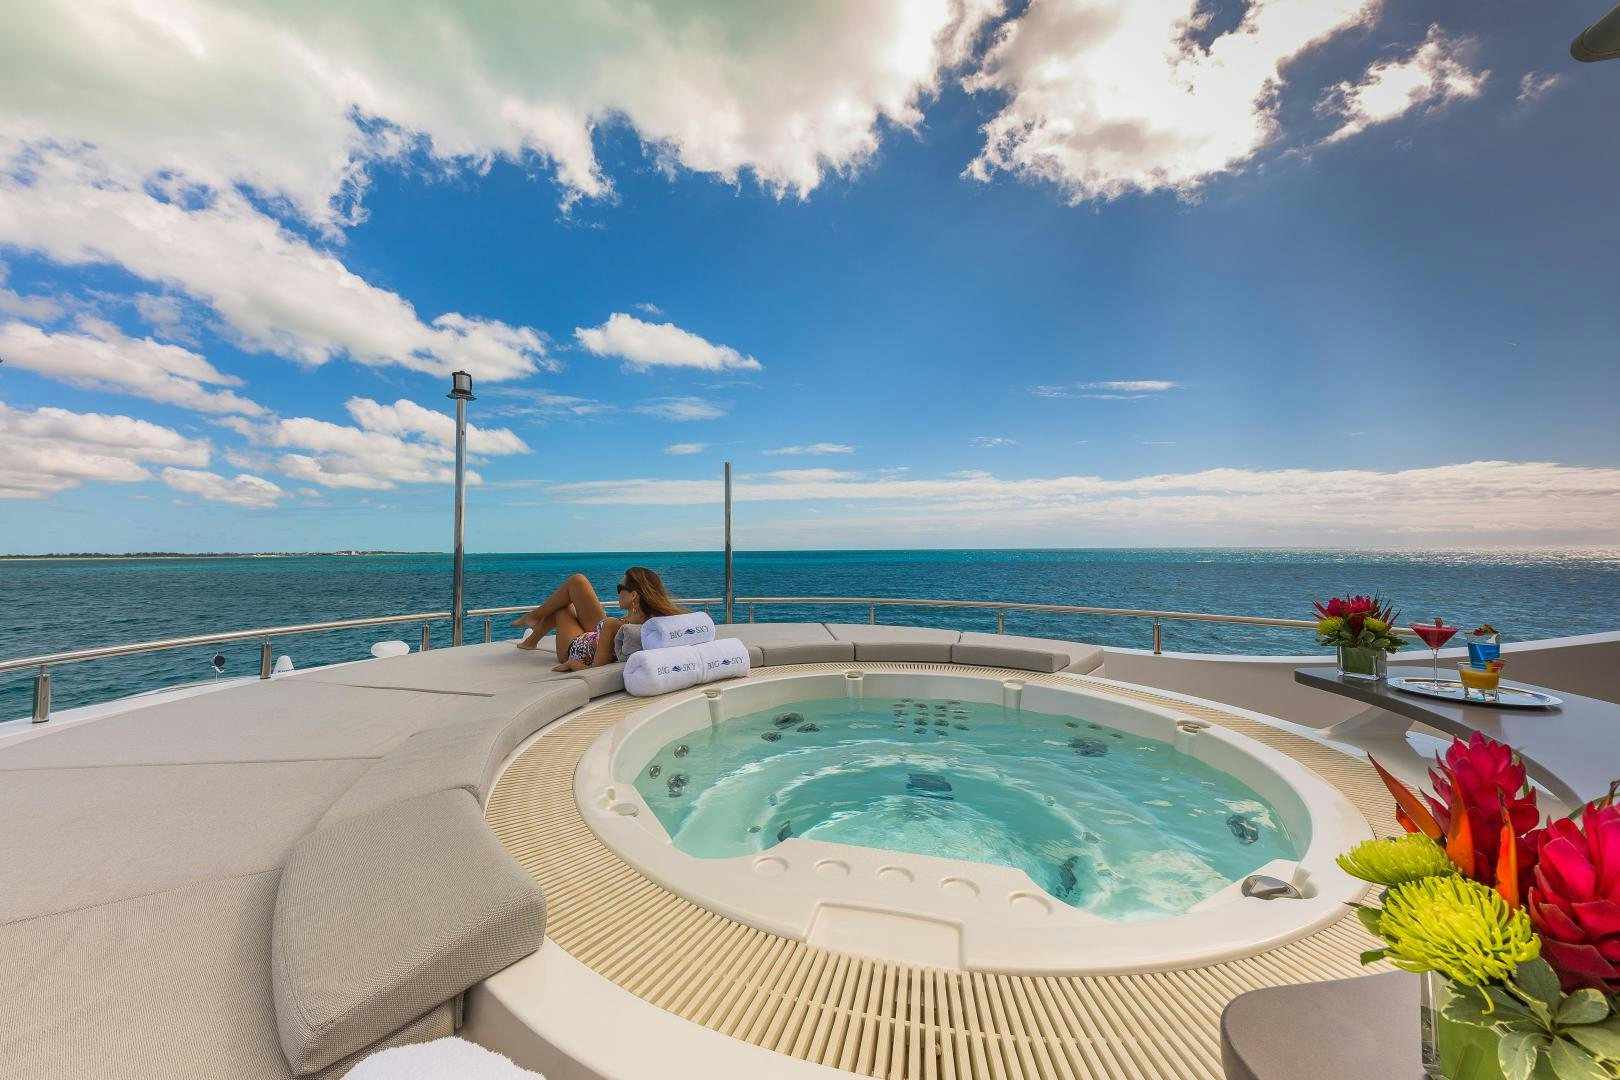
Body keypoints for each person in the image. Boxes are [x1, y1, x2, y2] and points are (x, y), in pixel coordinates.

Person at [510, 567, 684, 671]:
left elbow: (595, 671)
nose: (617, 592)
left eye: (619, 587)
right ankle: (531, 631)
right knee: (578, 582)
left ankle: (532, 625)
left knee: (563, 609)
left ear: (633, 595)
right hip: (596, 637)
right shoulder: (651, 621)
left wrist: (572, 664)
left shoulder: (613, 625)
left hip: (576, 648)